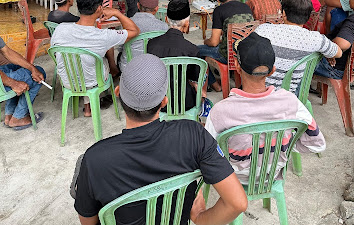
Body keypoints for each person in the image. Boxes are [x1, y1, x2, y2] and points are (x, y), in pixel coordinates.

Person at [73, 54, 248, 225]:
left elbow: (88, 220)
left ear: (118, 92)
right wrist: (201, 218)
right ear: (164, 101)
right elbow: (237, 203)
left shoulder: (95, 159)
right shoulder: (194, 134)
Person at [205, 33, 326, 184]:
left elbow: (207, 154)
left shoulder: (220, 111)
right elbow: (317, 144)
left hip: (234, 178)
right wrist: (285, 145)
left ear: (236, 66)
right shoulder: (290, 102)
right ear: (272, 70)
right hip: (272, 174)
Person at [51, 0, 139, 116]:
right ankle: (113, 72)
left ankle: (88, 107)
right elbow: (135, 31)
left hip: (67, 81)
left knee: (85, 60)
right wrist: (117, 13)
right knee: (101, 59)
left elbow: (56, 54)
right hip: (93, 81)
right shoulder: (103, 35)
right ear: (99, 9)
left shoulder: (60, 29)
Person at [254, 0, 342, 95]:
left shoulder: (263, 30)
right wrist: (327, 53)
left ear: (283, 13)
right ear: (308, 17)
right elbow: (339, 53)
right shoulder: (316, 39)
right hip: (289, 96)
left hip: (259, 92)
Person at [0, 0, 46, 130]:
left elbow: (7, 52)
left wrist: (31, 68)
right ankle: (19, 117)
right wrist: (13, 83)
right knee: (40, 74)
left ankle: (9, 115)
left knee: (30, 70)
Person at [147, 0, 202, 112]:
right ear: (187, 23)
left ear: (166, 19)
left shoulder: (151, 44)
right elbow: (195, 80)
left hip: (158, 101)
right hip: (185, 102)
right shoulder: (192, 50)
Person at [198, 0, 253, 92]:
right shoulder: (246, 7)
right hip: (246, 53)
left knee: (195, 50)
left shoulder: (219, 10)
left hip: (227, 55)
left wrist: (206, 41)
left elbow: (214, 42)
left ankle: (214, 84)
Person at [314, 0, 354, 80]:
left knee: (296, 59)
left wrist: (330, 53)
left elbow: (342, 44)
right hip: (347, 68)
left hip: (333, 68)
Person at [118, 0, 168, 71]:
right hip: (154, 69)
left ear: (138, 5)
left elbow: (120, 48)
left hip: (129, 68)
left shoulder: (126, 24)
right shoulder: (164, 27)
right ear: (156, 9)